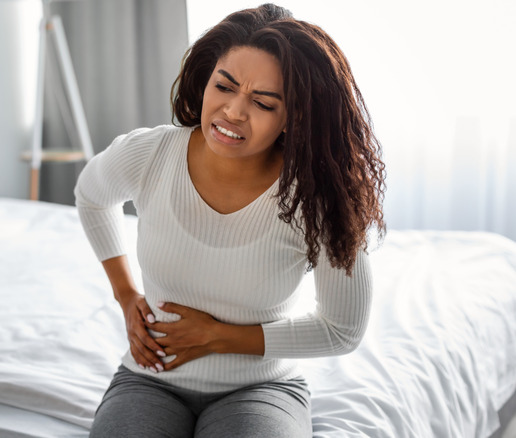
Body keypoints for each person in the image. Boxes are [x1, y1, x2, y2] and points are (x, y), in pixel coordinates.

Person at [74, 3, 386, 437]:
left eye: (262, 102)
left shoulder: (315, 199)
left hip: (262, 388)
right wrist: (126, 295)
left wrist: (218, 337)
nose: (234, 112)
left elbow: (343, 330)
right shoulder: (150, 154)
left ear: (292, 118)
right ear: (206, 79)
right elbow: (91, 196)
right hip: (150, 377)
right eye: (224, 86)